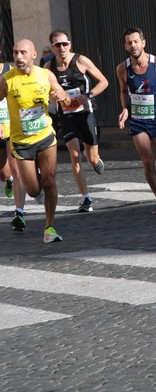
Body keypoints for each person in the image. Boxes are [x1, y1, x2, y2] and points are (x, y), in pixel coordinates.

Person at [0, 39, 71, 243]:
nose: (18, 57)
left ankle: (49, 227)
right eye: (15, 53)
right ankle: (36, 187)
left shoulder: (45, 75)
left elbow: (63, 98)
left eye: (23, 52)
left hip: (45, 136)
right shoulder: (7, 80)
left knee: (50, 182)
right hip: (21, 142)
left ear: (33, 54)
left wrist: (61, 95)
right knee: (33, 190)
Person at [116, 27, 156, 215]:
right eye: (129, 42)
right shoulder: (122, 68)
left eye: (136, 41)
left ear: (143, 43)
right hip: (138, 121)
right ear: (126, 46)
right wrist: (125, 109)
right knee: (147, 160)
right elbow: (123, 91)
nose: (133, 45)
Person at [45, 29, 108, 213]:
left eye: (64, 44)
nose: (62, 48)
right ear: (53, 48)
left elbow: (104, 81)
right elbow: (45, 90)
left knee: (91, 157)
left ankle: (96, 160)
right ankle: (86, 198)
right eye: (58, 45)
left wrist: (87, 95)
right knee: (74, 155)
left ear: (69, 44)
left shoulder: (80, 61)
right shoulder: (48, 67)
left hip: (85, 113)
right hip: (65, 116)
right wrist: (54, 97)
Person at [0, 62, 27, 231]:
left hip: (12, 126)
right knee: (4, 174)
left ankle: (19, 213)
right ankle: (8, 180)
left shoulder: (10, 70)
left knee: (16, 169)